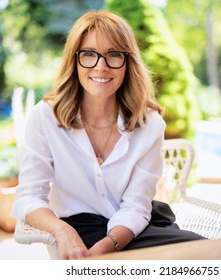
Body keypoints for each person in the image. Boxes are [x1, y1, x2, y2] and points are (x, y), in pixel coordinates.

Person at [11, 10, 204, 260]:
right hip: (79, 229)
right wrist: (63, 231)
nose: (101, 66)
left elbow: (136, 206)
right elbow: (29, 197)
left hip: (134, 227)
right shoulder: (45, 117)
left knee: (206, 253)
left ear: (128, 62)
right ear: (75, 60)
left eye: (114, 55)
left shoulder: (151, 124)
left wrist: (109, 245)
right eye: (89, 54)